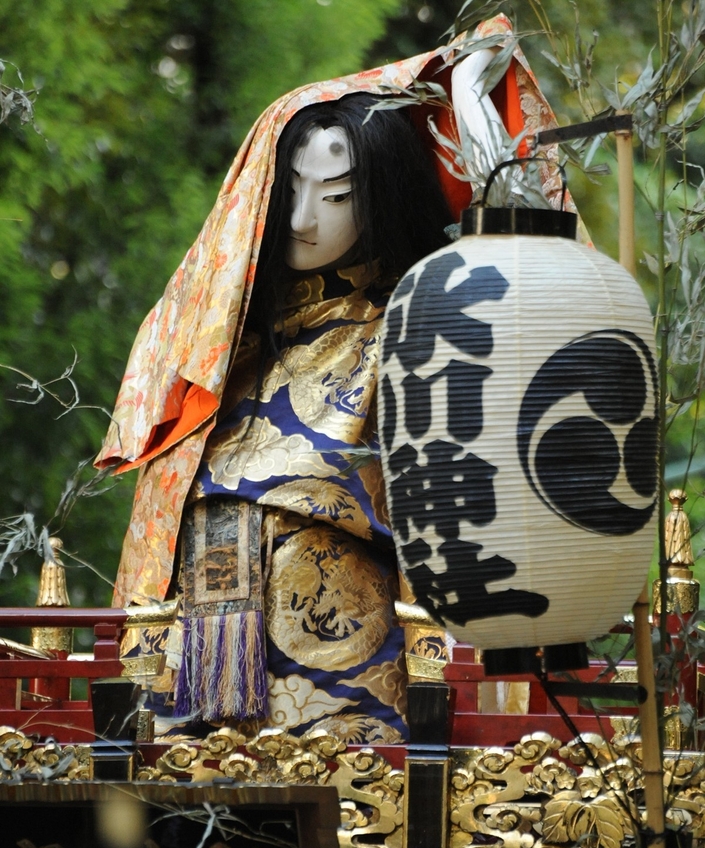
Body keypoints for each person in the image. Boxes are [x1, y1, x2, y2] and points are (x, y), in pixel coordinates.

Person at [97, 15, 568, 742]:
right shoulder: (223, 348)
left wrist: (471, 104)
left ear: (380, 197)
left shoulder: (414, 328)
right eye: (289, 189)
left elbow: (516, 284)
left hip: (350, 696)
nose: (304, 217)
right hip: (197, 682)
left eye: (338, 194)